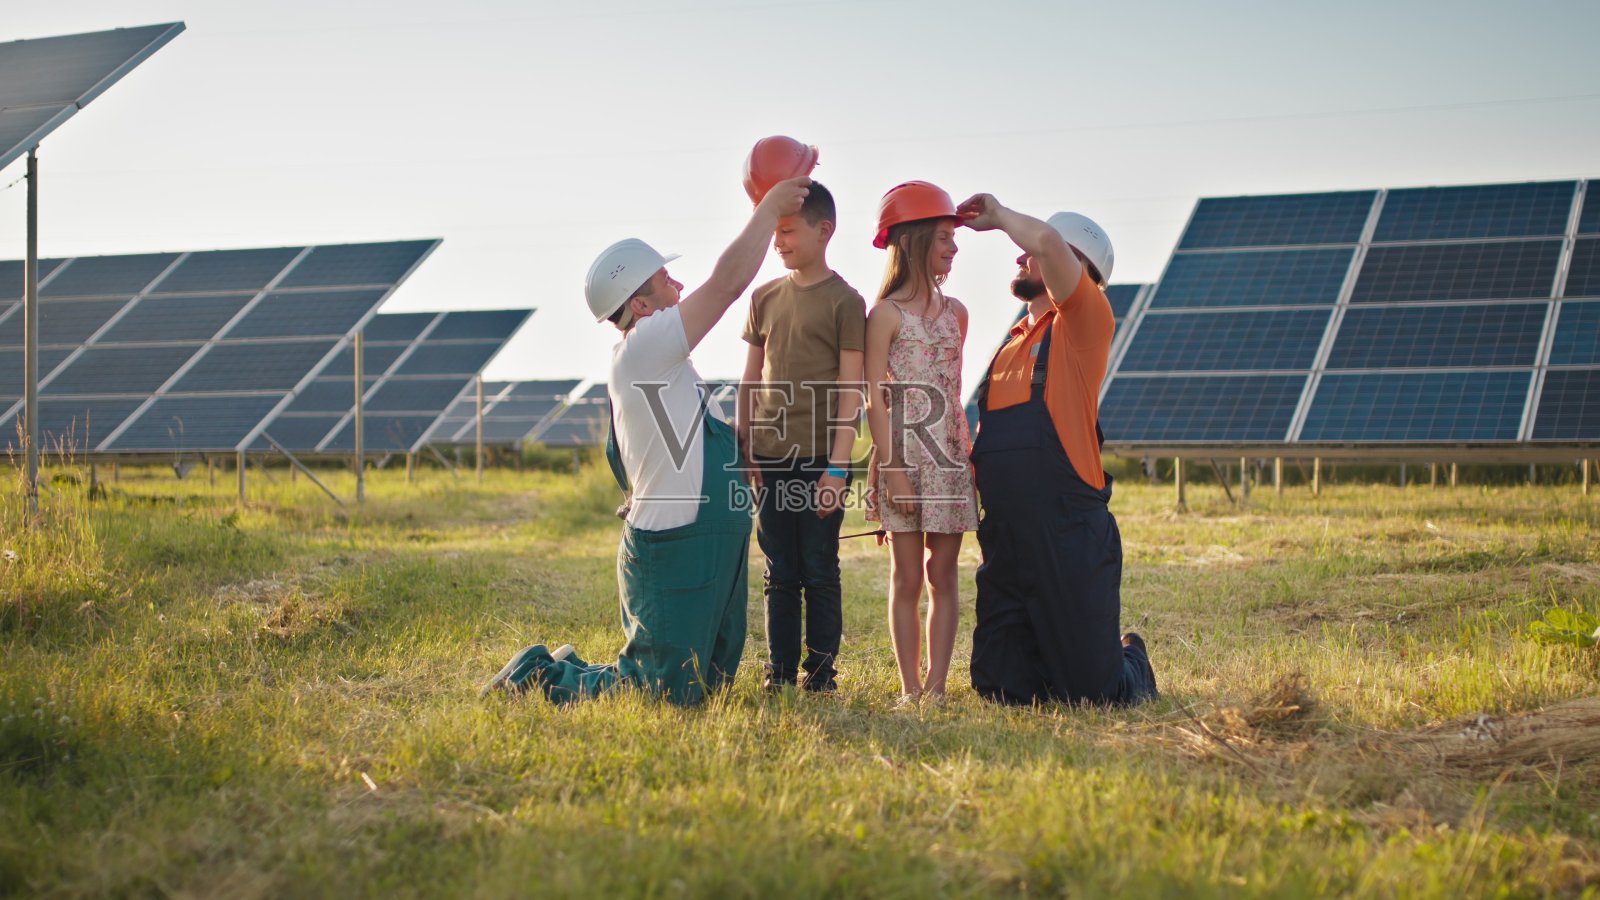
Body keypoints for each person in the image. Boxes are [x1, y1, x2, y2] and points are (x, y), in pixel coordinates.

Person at [483, 176, 812, 706]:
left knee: (707, 687)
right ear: (638, 303)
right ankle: (539, 675)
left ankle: (573, 666)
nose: (679, 289)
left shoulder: (663, 361)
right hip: (675, 547)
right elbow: (727, 283)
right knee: (659, 693)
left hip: (706, 544)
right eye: (666, 280)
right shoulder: (646, 347)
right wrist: (770, 207)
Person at [957, 193, 1158, 706]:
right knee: (1001, 690)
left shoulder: (1085, 324)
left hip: (1067, 533)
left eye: (1042, 251)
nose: (1023, 255)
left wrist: (1000, 216)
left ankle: (1132, 657)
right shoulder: (1010, 344)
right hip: (1006, 537)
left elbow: (1043, 241)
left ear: (1076, 267)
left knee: (1092, 695)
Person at [737, 182, 867, 693]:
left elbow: (851, 388)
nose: (778, 241)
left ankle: (820, 677)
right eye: (775, 232)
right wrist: (744, 447)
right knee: (779, 570)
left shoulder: (846, 302)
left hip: (820, 460)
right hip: (769, 459)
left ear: (824, 230)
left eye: (787, 231)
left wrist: (838, 467)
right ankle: (780, 673)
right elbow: (750, 379)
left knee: (819, 568)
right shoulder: (763, 298)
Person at [862, 181, 979, 704]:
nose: (954, 248)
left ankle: (937, 687)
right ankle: (910, 689)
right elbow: (873, 399)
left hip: (950, 458)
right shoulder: (884, 315)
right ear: (912, 241)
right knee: (907, 576)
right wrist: (892, 469)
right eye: (944, 238)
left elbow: (952, 393)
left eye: (955, 238)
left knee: (943, 574)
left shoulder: (959, 313)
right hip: (902, 457)